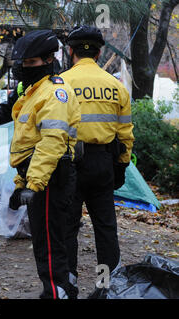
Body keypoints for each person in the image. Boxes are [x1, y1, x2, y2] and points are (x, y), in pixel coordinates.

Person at [61, 25, 135, 297]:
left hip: (68, 164)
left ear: (71, 51)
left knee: (67, 228)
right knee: (105, 229)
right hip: (103, 163)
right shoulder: (116, 86)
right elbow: (126, 133)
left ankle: (68, 287)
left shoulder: (62, 84)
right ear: (100, 52)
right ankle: (107, 287)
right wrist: (122, 165)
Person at [8, 29, 81, 299]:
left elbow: (51, 143)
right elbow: (26, 144)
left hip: (51, 176)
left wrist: (35, 185)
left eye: (32, 63)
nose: (26, 68)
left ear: (49, 60)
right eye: (24, 63)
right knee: (47, 238)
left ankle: (57, 291)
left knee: (49, 241)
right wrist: (21, 183)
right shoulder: (34, 93)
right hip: (40, 175)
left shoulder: (55, 94)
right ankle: (62, 287)